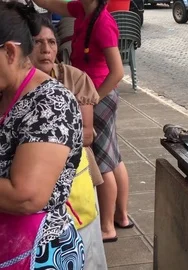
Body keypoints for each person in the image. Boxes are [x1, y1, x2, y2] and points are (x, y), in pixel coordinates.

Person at [33, 0, 133, 242]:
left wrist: (94, 99)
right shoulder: (81, 9)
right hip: (92, 94)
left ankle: (107, 227)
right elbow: (50, 4)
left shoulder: (103, 23)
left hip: (100, 96)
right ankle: (122, 216)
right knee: (114, 157)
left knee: (102, 162)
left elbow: (118, 71)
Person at [0, 2, 84, 269]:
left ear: (10, 52)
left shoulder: (51, 103)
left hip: (39, 252)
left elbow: (25, 196)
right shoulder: (5, 91)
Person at [29, 15, 108, 270]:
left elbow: (87, 134)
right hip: (36, 188)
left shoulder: (73, 79)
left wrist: (42, 149)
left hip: (76, 180)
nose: (46, 49)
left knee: (86, 250)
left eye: (51, 42)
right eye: (37, 42)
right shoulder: (16, 85)